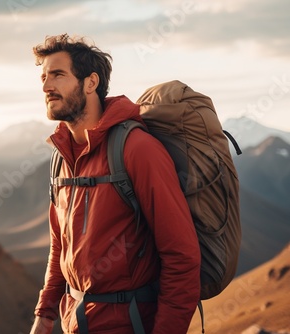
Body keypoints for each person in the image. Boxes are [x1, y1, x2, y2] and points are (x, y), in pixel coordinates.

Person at [29, 34, 201, 334]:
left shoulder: (136, 149)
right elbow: (61, 247)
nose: (45, 86)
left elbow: (182, 257)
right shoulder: (62, 157)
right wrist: (44, 315)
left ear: (90, 83)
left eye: (57, 75)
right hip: (75, 324)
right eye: (43, 77)